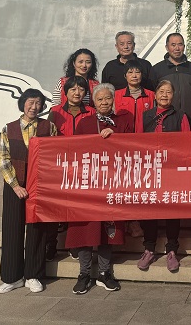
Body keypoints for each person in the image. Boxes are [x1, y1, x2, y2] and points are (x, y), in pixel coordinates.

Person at [66, 83, 132, 294]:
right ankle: (84, 274)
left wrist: (116, 135)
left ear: (114, 100)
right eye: (100, 99)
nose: (104, 102)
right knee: (85, 229)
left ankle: (104, 273)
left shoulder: (124, 120)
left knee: (107, 228)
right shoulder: (85, 123)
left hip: (113, 183)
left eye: (108, 98)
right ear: (93, 102)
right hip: (88, 184)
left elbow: (134, 146)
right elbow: (75, 151)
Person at [0, 88, 57, 294]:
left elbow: (54, 156)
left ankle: (33, 275)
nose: (34, 107)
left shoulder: (49, 127)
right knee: (12, 230)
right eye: (30, 102)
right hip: (14, 186)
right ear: (23, 104)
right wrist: (15, 185)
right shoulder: (8, 128)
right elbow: (4, 159)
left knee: (37, 231)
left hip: (39, 187)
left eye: (38, 103)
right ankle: (12, 277)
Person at [138, 80, 191, 272]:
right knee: (149, 209)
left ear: (173, 95)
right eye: (161, 91)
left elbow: (186, 143)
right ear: (155, 94)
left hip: (172, 170)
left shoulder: (180, 116)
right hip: (150, 169)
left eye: (169, 92)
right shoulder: (145, 116)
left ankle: (172, 250)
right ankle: (149, 249)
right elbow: (137, 141)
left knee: (172, 210)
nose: (165, 95)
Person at [151, 33, 191, 125]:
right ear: (167, 47)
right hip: (165, 119)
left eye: (180, 44)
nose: (177, 48)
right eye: (173, 45)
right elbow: (152, 94)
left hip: (189, 118)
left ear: (184, 47)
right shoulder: (157, 69)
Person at [114, 60, 156, 133]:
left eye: (137, 72)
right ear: (125, 76)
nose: (134, 76)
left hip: (144, 136)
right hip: (123, 136)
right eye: (130, 72)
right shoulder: (116, 95)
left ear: (142, 75)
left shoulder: (151, 95)